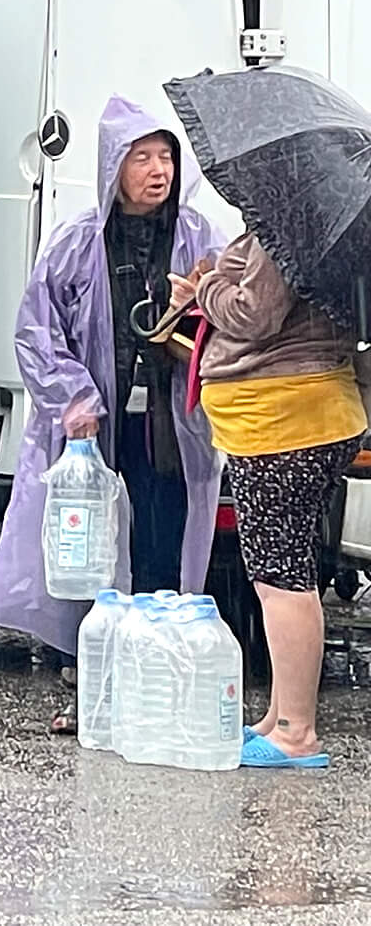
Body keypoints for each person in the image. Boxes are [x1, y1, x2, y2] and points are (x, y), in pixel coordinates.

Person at [0, 98, 225, 733]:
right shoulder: (79, 240)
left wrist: (198, 310)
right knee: (92, 560)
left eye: (166, 156)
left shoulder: (199, 239)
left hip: (169, 429)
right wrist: (73, 398)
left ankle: (161, 691)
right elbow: (37, 330)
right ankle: (95, 689)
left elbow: (229, 323)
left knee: (162, 549)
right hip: (95, 433)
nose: (157, 170)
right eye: (141, 156)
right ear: (114, 165)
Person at [189, 232, 365, 768]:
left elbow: (254, 314)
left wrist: (208, 287)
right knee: (286, 573)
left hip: (282, 420)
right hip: (306, 413)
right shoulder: (332, 230)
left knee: (281, 580)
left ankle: (296, 732)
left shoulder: (286, 229)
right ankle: (279, 717)